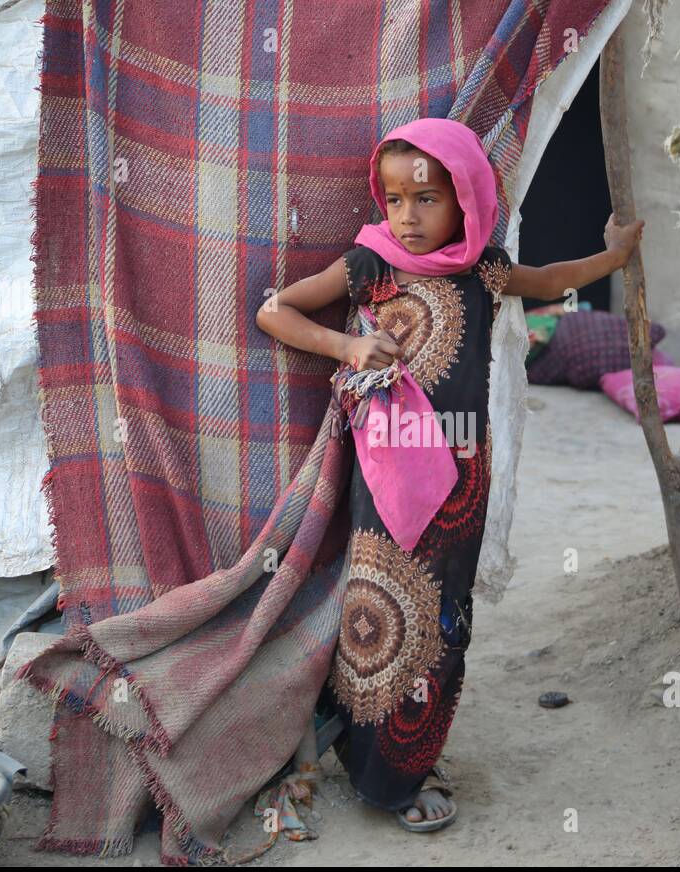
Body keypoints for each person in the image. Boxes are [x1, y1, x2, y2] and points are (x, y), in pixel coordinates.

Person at [256, 117, 642, 833]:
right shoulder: (368, 266)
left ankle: (412, 762)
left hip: (464, 477)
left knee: (443, 618)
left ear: (465, 198)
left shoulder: (484, 269)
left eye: (426, 199)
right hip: (388, 470)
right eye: (395, 199)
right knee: (377, 607)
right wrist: (346, 343)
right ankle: (371, 761)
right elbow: (274, 310)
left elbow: (554, 279)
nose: (406, 216)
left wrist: (612, 257)